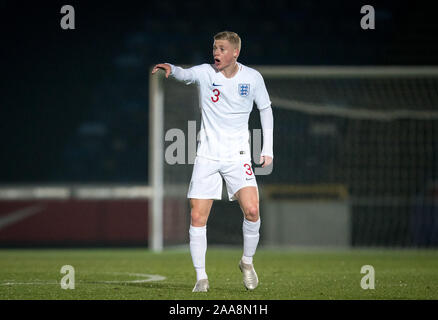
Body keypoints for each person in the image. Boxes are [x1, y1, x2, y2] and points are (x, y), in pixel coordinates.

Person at [151, 31, 274, 292]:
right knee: (197, 215)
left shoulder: (252, 78)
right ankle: (201, 277)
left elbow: (265, 109)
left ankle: (247, 262)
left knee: (252, 211)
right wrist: (171, 68)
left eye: (221, 48)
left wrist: (267, 148)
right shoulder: (206, 73)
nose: (216, 53)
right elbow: (185, 74)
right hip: (207, 155)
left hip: (237, 155)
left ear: (235, 53)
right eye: (214, 48)